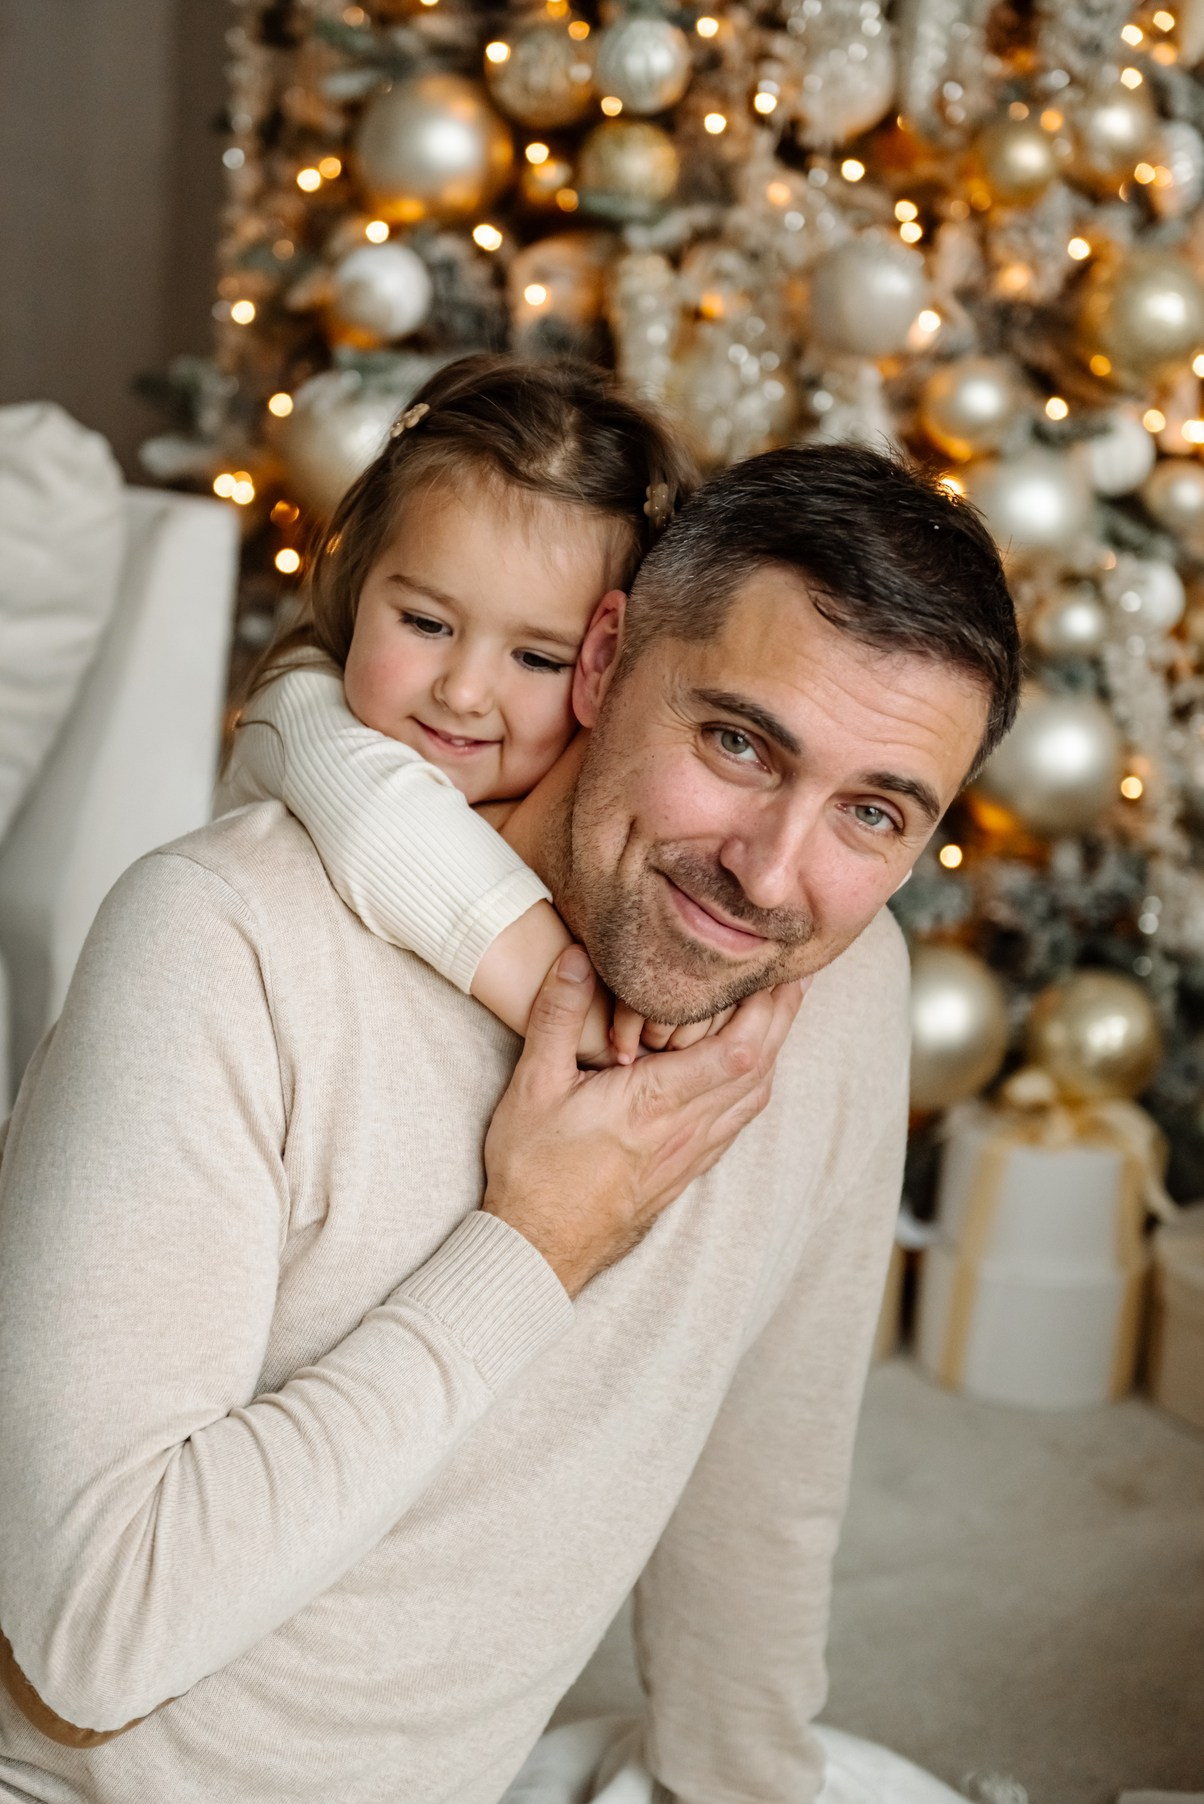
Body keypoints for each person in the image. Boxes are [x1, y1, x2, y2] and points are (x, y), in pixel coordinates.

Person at [0, 434, 1019, 1804]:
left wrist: (747, 1784)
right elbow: (87, 1640)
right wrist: (533, 1243)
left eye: (874, 814)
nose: (770, 873)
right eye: (736, 742)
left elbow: (762, 1485)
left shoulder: (839, 982)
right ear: (602, 662)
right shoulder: (221, 940)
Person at [223, 353, 716, 1066]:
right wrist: (589, 1017)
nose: (462, 693)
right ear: (359, 578)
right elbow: (381, 819)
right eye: (425, 624)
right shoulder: (297, 705)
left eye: (538, 659)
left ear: (609, 663)